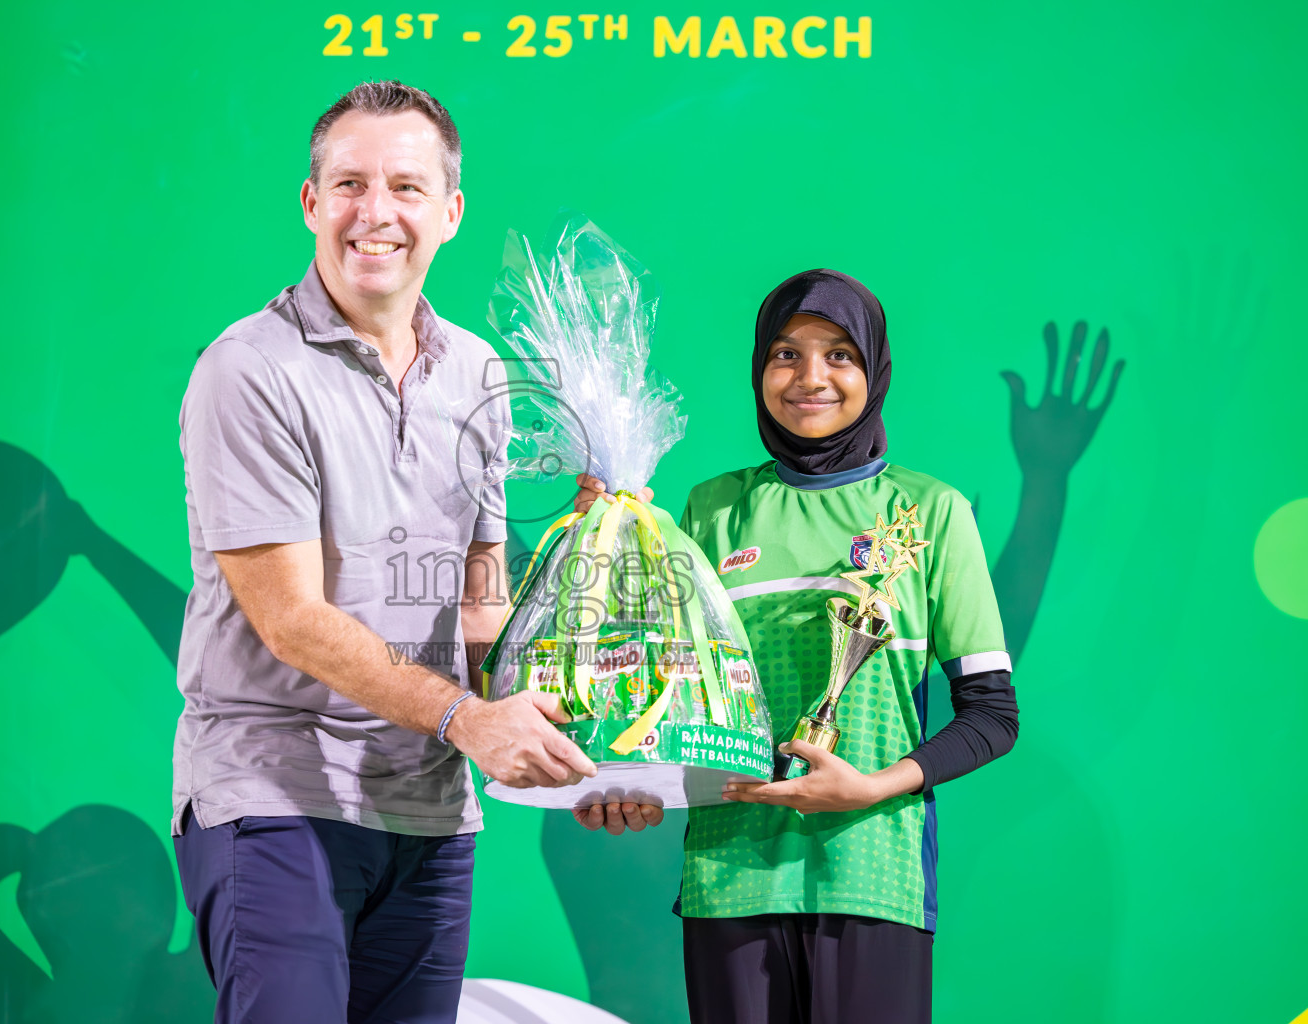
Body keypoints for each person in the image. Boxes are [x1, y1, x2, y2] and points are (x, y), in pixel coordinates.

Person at [172, 80, 595, 1024]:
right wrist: (468, 722)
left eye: (405, 187)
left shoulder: (482, 373)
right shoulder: (249, 370)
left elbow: (480, 599)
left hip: (431, 810)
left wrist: (589, 758)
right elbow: (292, 621)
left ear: (449, 211)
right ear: (311, 203)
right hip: (274, 788)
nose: (377, 213)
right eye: (350, 183)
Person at [574, 269, 1020, 1023]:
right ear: (759, 369)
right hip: (729, 874)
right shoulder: (710, 510)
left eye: (839, 355)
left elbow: (992, 714)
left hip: (874, 874)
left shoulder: (929, 511)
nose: (811, 378)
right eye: (786, 354)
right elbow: (663, 695)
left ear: (874, 370)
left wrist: (875, 786)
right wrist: (622, 782)